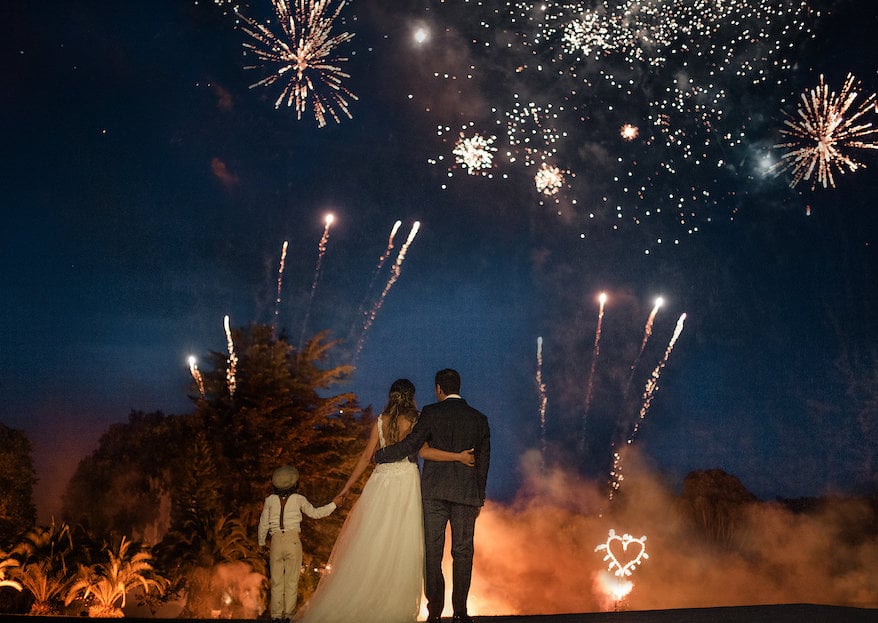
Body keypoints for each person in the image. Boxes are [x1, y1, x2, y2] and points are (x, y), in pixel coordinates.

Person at [296, 378, 473, 623]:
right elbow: (422, 451)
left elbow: (365, 457)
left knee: (373, 540)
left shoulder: (379, 421)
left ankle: (364, 597)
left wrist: (346, 489)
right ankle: (392, 603)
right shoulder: (415, 420)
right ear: (411, 397)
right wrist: (457, 457)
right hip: (406, 482)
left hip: (380, 483)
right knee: (403, 543)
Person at [375, 369, 490, 623]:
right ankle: (460, 612)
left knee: (433, 552)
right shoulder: (479, 419)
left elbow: (412, 445)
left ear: (439, 389)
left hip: (434, 493)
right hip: (465, 495)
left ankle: (435, 612)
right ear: (458, 387)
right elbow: (483, 463)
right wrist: (478, 497)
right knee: (462, 552)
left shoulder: (430, 412)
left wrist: (382, 454)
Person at [258, 465, 342, 623]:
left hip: (276, 541)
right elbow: (315, 513)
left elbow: (263, 524)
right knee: (291, 580)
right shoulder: (299, 499)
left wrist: (261, 542)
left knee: (276, 581)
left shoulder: (269, 500)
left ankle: (276, 616)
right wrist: (334, 504)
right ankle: (288, 617)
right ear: (294, 483)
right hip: (293, 541)